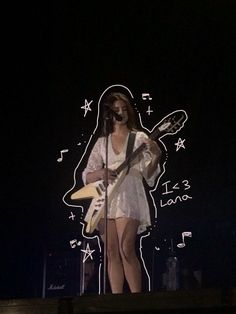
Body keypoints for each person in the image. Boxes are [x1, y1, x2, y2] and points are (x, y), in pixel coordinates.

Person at [82, 92, 162, 294]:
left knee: (127, 248)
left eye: (124, 109)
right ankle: (116, 301)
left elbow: (149, 175)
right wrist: (100, 172)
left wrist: (156, 156)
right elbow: (87, 175)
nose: (121, 113)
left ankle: (136, 299)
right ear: (109, 114)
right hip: (105, 198)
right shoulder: (102, 142)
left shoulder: (139, 138)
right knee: (111, 251)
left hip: (129, 194)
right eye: (116, 110)